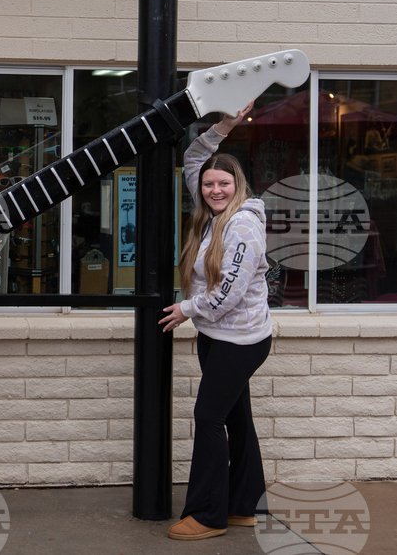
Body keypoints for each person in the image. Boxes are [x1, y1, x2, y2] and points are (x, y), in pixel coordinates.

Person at [159, 102, 272, 541]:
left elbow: (230, 293)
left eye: (223, 182)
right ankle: (245, 506)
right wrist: (225, 126)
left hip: (239, 340)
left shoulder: (243, 226)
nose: (214, 189)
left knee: (208, 417)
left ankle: (209, 515)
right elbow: (191, 158)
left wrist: (187, 309)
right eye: (209, 183)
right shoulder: (211, 213)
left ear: (237, 185)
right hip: (217, 337)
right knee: (236, 417)